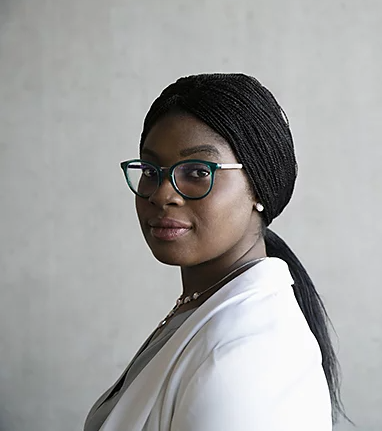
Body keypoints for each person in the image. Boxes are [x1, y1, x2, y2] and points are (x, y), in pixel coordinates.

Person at [84, 73, 345, 431]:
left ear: (258, 187)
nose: (162, 194)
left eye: (196, 171)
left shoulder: (252, 359)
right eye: (151, 170)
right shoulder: (203, 306)